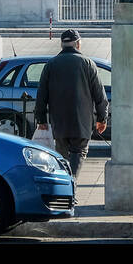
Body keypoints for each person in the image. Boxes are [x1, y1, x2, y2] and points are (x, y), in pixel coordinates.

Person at [35, 29, 108, 184]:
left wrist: (41, 118)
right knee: (79, 152)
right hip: (82, 121)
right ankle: (71, 184)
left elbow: (41, 94)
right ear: (78, 44)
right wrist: (102, 118)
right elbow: (100, 95)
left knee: (62, 155)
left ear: (62, 44)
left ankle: (65, 185)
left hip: (59, 121)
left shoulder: (51, 64)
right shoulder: (88, 64)